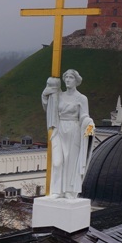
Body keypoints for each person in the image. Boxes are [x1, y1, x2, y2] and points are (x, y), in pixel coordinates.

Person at [41, 69, 95, 199]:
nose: (68, 80)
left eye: (71, 77)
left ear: (76, 80)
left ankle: (69, 190)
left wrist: (89, 123)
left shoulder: (82, 98)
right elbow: (48, 109)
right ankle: (57, 191)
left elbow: (84, 116)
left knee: (71, 161)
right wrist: (44, 95)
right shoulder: (59, 95)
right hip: (59, 129)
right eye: (66, 77)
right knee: (57, 162)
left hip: (74, 130)